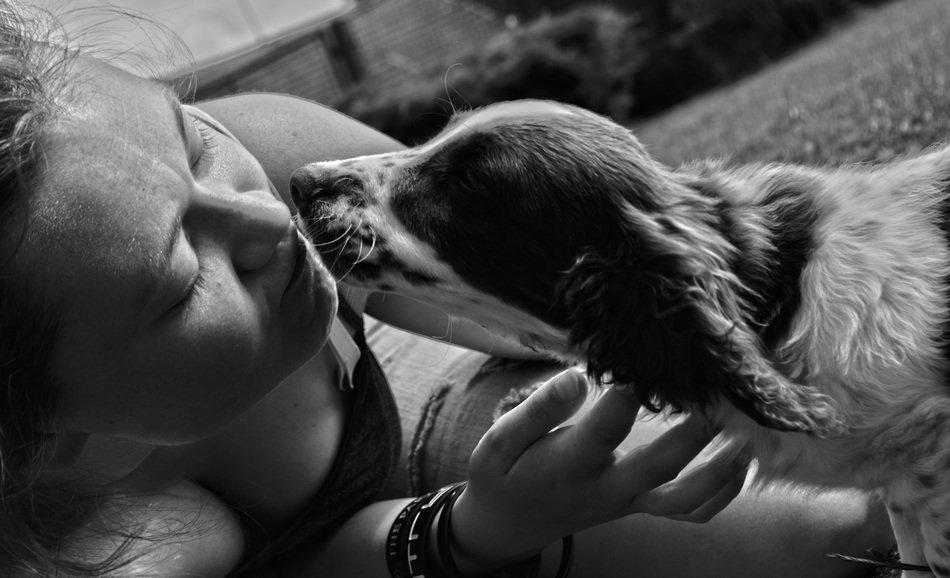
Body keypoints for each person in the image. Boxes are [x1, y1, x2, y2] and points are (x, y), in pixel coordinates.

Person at [0, 3, 894, 576]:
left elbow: (529, 269)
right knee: (830, 531)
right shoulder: (110, 539)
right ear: (54, 436)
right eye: (182, 277)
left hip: (429, 359)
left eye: (192, 142)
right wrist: (478, 528)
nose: (273, 218)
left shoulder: (272, 148)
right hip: (435, 514)